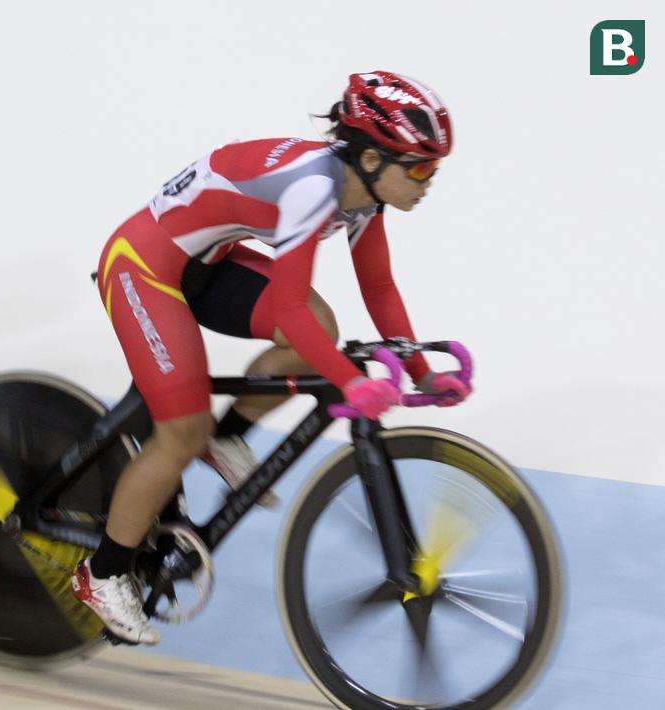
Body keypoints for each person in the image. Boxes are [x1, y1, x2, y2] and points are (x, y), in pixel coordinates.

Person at [73, 71, 472, 645]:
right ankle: (103, 574)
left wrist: (421, 370)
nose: (428, 179)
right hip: (144, 265)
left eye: (433, 167)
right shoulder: (314, 186)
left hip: (206, 262)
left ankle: (228, 435)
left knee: (321, 329)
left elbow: (379, 287)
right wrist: (348, 382)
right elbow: (287, 300)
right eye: (418, 166)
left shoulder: (364, 196)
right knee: (181, 432)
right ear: (371, 157)